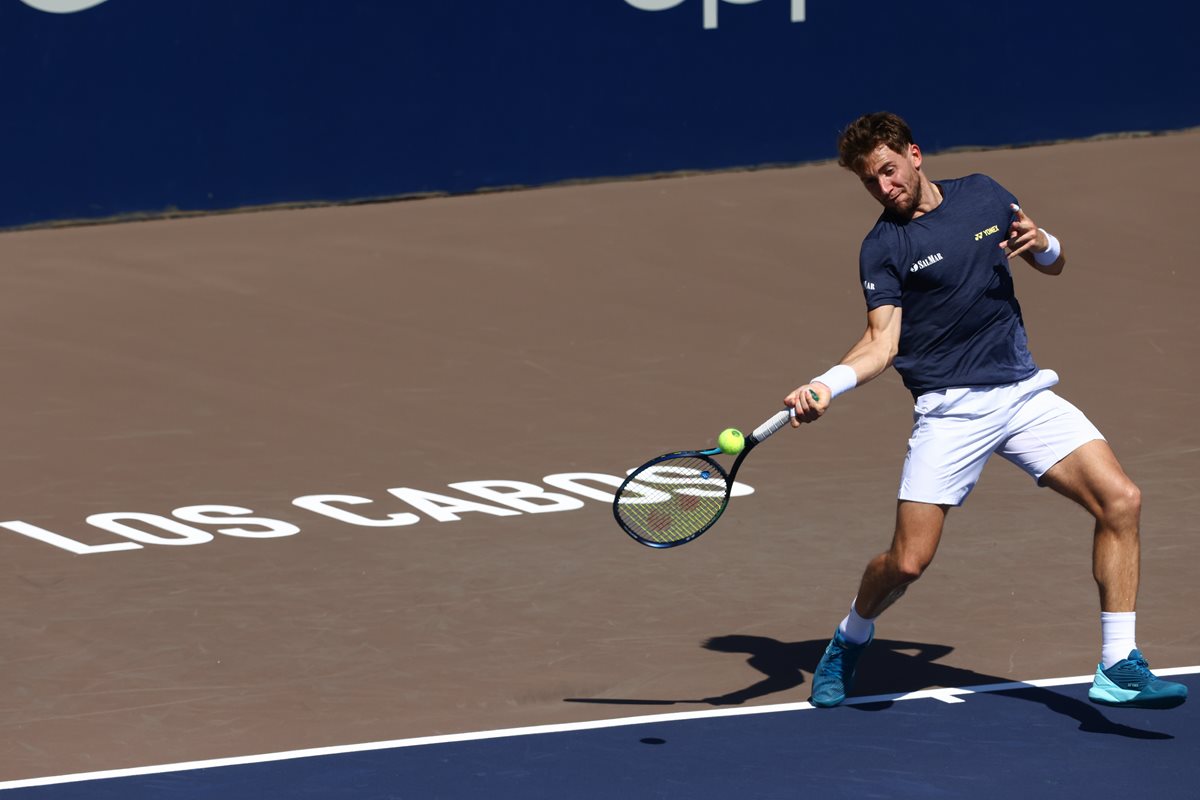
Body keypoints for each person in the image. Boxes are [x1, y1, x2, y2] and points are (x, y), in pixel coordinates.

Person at [783, 111, 1187, 710]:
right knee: (908, 562)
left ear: (914, 154)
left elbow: (1051, 261)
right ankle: (851, 636)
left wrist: (1043, 243)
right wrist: (827, 384)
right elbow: (881, 343)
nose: (883, 187)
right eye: (870, 181)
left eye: (889, 171)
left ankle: (1118, 664)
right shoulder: (883, 247)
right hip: (950, 411)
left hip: (1021, 392)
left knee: (1121, 499)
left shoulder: (984, 194)